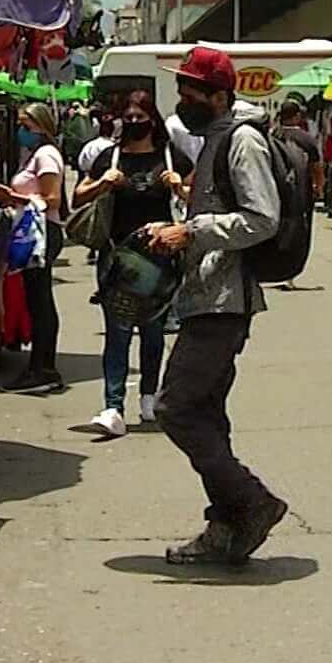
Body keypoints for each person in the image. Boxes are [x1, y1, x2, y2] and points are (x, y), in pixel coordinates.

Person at [140, 46, 287, 565]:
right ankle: (226, 525)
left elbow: (261, 218)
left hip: (225, 301)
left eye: (191, 92)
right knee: (205, 414)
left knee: (175, 407)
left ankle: (251, 501)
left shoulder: (242, 142)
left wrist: (193, 232)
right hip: (204, 295)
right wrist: (174, 230)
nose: (182, 101)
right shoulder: (214, 141)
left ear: (219, 95)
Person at [73, 91, 191, 437]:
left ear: (153, 120)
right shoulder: (109, 157)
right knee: (118, 333)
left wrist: (179, 188)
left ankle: (148, 397)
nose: (135, 123)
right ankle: (113, 407)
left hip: (161, 261)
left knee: (153, 332)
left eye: (141, 117)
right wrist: (101, 183)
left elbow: (198, 200)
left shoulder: (171, 157)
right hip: (117, 259)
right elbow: (77, 197)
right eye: (129, 117)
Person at [0, 102, 68, 394]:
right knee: (37, 298)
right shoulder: (36, 155)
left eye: (25, 126)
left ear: (41, 127)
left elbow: (51, 199)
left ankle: (42, 368)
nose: (21, 131)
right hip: (35, 232)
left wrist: (10, 195)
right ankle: (41, 366)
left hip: (43, 233)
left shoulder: (46, 156)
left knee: (40, 300)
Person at [275, 97, 325, 207]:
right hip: (301, 192)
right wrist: (318, 188)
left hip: (275, 192)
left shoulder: (272, 136)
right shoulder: (307, 139)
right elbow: (317, 167)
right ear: (297, 116)